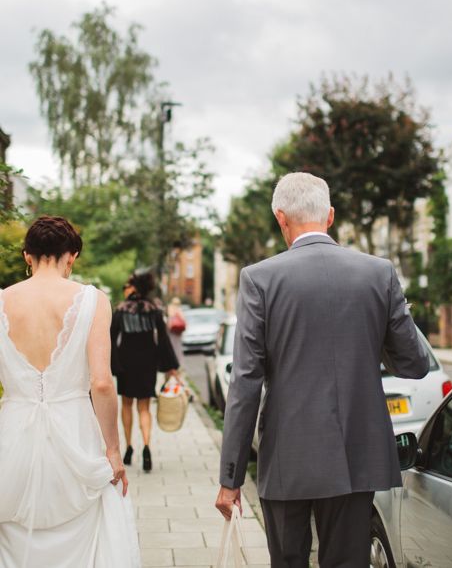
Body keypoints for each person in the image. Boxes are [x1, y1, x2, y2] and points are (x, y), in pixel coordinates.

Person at [215, 172, 429, 568]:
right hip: (356, 455)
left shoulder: (259, 279)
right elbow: (414, 363)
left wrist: (231, 476)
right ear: (330, 216)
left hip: (287, 457)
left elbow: (245, 382)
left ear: (281, 218)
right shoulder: (378, 273)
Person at [0, 216, 140, 567]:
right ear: (72, 256)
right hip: (75, 430)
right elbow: (102, 382)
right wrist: (112, 450)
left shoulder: (3, 300)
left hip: (12, 432)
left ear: (26, 256)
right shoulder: (93, 300)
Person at [111, 270, 179, 472]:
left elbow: (111, 339)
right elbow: (164, 339)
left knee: (126, 404)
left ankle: (129, 447)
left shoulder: (121, 310)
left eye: (127, 286)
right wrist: (170, 367)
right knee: (144, 408)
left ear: (133, 288)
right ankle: (147, 446)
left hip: (126, 363)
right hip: (148, 362)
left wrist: (111, 365)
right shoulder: (154, 310)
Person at [166, 296, 186, 369]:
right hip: (177, 333)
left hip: (172, 332)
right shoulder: (179, 310)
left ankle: (172, 364)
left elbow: (169, 322)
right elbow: (184, 321)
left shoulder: (170, 309)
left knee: (172, 348)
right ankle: (177, 364)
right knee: (177, 348)